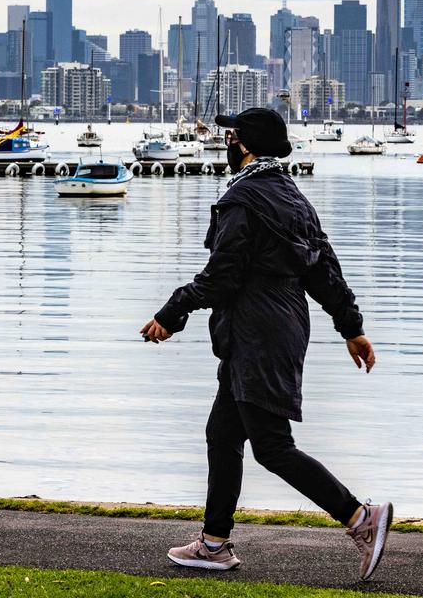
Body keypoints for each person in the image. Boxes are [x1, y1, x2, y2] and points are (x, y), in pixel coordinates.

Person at [140, 107, 392, 581]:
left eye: (231, 135)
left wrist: (172, 312)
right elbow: (324, 272)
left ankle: (361, 518)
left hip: (257, 335)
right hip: (274, 331)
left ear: (246, 145)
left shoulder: (243, 200)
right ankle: (213, 544)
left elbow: (223, 276)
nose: (227, 142)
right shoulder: (293, 198)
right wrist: (351, 327)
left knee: (272, 447)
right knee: (223, 434)